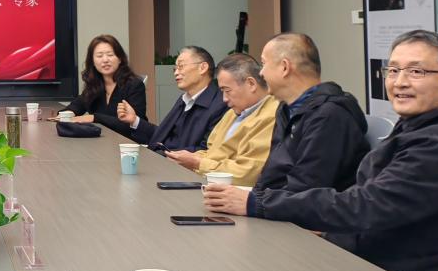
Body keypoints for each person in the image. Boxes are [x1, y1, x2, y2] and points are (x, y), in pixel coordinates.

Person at [205, 31, 438, 271]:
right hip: (353, 252)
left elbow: (364, 206)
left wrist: (258, 203)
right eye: (393, 70)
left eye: (416, 72)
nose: (399, 82)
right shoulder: (421, 128)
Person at [251, 32, 367, 195]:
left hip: (306, 210)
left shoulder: (330, 116)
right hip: (277, 204)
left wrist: (253, 203)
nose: (261, 73)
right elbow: (273, 175)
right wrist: (249, 198)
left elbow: (306, 189)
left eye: (264, 64)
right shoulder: (286, 110)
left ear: (284, 67)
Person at [164, 53, 278, 185]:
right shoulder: (233, 113)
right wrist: (191, 157)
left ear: (251, 84)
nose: (224, 99)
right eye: (222, 91)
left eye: (227, 90)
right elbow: (212, 151)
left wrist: (198, 163)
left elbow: (246, 173)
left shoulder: (271, 116)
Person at [116, 45, 227, 151]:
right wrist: (134, 120)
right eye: (175, 69)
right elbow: (162, 135)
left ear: (202, 68)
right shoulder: (184, 100)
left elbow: (206, 151)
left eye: (181, 66)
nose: (176, 72)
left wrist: (166, 153)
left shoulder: (220, 104)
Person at [59, 34, 146, 137]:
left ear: (120, 59)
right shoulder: (95, 84)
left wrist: (95, 118)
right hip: (102, 141)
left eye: (110, 55)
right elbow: (77, 105)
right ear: (92, 61)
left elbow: (135, 124)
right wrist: (66, 114)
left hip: (128, 142)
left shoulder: (134, 85)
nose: (105, 60)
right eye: (99, 56)